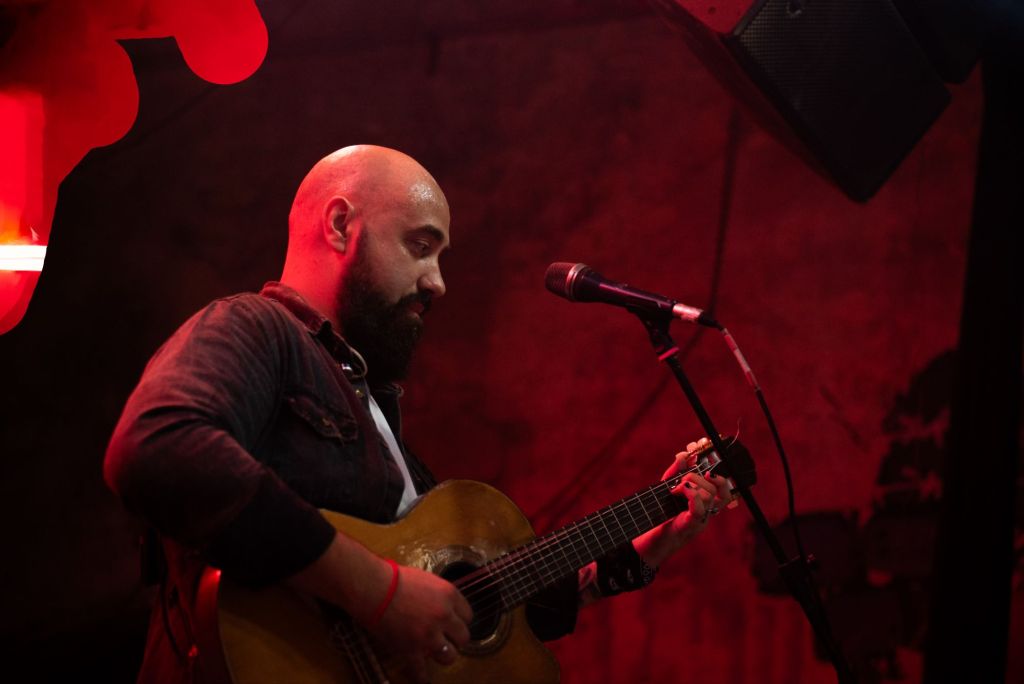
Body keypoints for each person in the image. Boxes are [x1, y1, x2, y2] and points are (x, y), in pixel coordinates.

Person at [104, 145, 732, 684]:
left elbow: (473, 609)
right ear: (341, 225)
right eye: (421, 246)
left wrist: (647, 544)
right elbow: (159, 448)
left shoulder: (372, 406)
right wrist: (378, 591)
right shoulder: (256, 328)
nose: (438, 282)